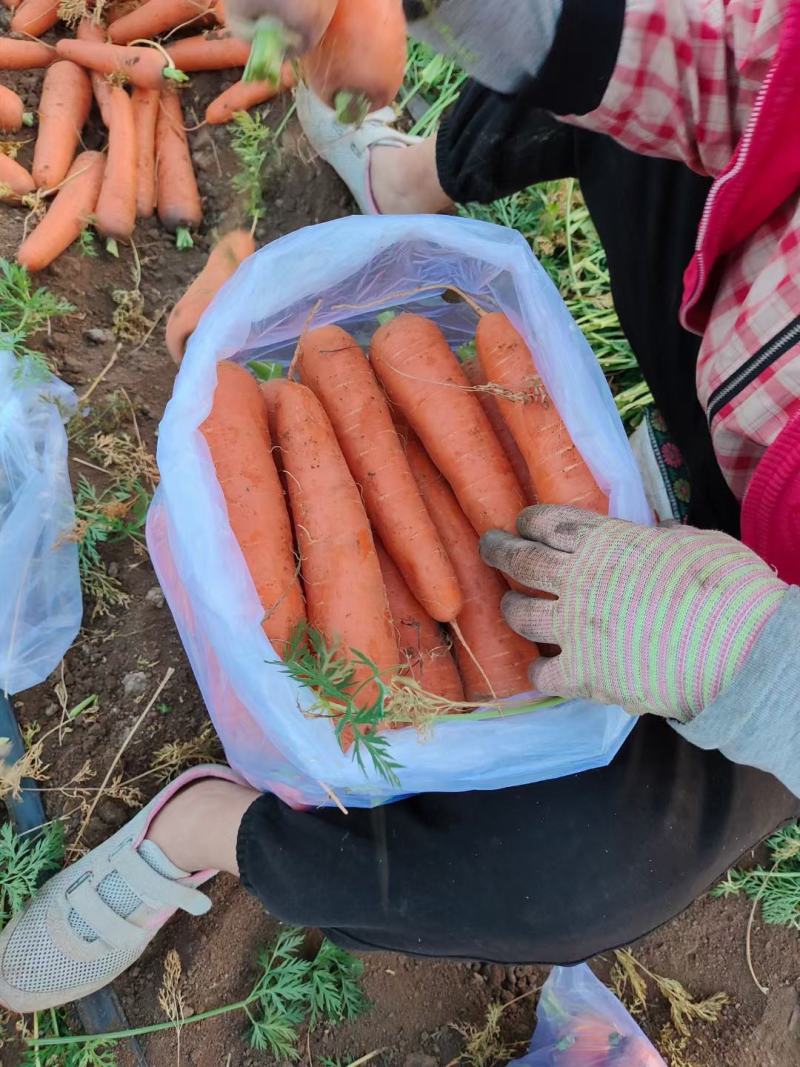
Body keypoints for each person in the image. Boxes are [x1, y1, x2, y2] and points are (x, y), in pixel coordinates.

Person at [2, 0, 800, 1014]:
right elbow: (738, 53)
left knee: (580, 879)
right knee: (631, 63)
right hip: (739, 282)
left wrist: (758, 660)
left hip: (776, 604)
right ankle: (408, 182)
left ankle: (206, 826)